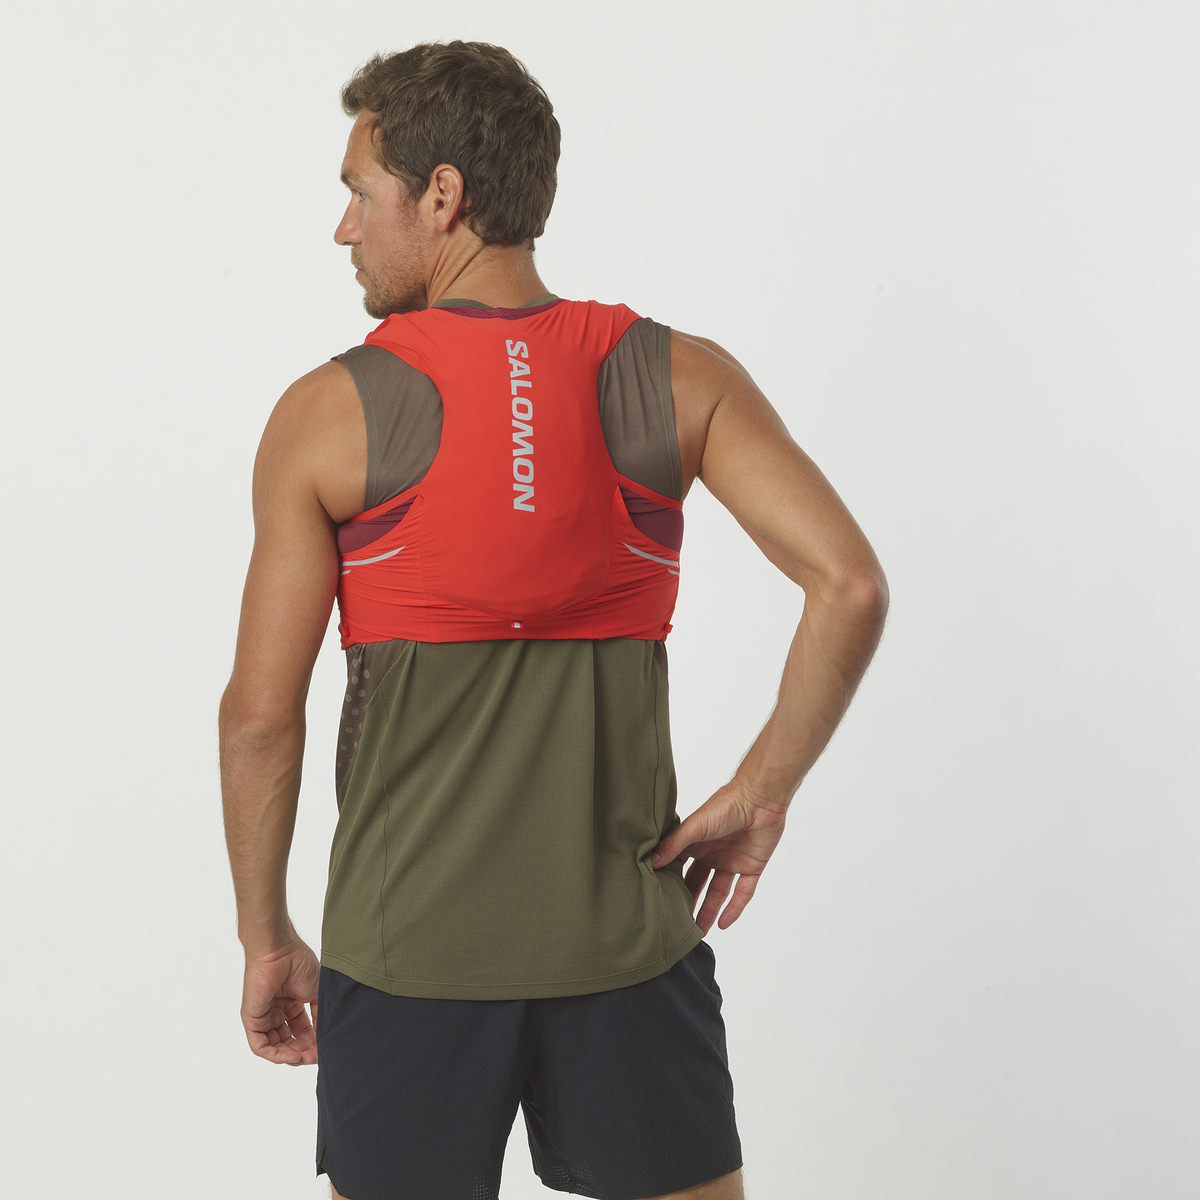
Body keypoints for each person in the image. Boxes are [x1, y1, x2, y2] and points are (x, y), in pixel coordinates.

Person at [219, 40, 888, 1200]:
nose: (343, 228)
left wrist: (265, 935)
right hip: (628, 948)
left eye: (360, 193)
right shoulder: (679, 379)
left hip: (407, 953)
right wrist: (762, 793)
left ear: (442, 195)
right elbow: (851, 584)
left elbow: (259, 721)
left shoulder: (329, 416)